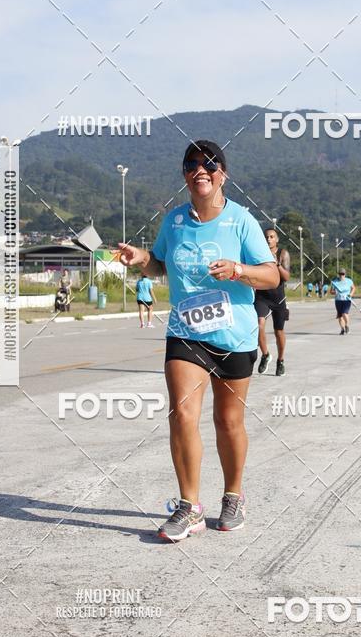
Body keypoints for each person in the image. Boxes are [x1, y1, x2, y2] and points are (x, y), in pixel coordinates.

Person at [117, 140, 279, 543]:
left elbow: (272, 276)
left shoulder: (242, 221)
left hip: (234, 333)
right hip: (186, 332)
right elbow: (159, 262)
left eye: (209, 164)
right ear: (185, 175)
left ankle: (233, 496)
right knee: (182, 414)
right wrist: (141, 257)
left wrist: (239, 269)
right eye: (192, 164)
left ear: (222, 173)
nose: (200, 170)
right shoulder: (173, 222)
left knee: (228, 420)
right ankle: (189, 508)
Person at [255, 228, 290, 377]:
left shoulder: (283, 253)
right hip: (262, 295)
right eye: (266, 237)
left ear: (277, 240)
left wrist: (276, 263)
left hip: (278, 298)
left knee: (278, 332)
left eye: (271, 237)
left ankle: (280, 360)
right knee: (258, 325)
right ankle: (265, 354)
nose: (268, 239)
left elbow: (287, 277)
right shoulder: (257, 252)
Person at [330, 269, 355, 334]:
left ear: (345, 274)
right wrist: (334, 292)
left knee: (344, 313)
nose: (341, 276)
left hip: (346, 300)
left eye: (343, 274)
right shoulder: (335, 282)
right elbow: (331, 291)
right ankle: (342, 329)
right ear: (338, 274)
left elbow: (353, 288)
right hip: (338, 300)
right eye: (340, 274)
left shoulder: (349, 281)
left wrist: (351, 294)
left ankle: (347, 325)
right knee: (340, 316)